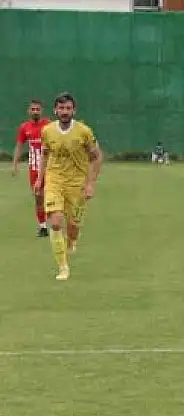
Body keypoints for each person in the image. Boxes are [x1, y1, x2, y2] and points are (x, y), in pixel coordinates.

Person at [37, 92, 102, 281]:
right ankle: (63, 267)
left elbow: (97, 157)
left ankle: (72, 241)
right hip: (55, 180)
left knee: (73, 225)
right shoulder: (47, 131)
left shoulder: (84, 131)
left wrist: (90, 184)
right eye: (61, 108)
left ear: (74, 110)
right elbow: (45, 154)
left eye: (68, 108)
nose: (64, 112)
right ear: (55, 110)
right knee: (56, 222)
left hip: (77, 183)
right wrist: (40, 179)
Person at [12, 99, 50, 237]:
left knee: (52, 196)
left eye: (37, 109)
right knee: (38, 197)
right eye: (33, 109)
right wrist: (15, 164)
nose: (35, 112)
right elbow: (19, 145)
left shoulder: (48, 125)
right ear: (29, 111)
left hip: (50, 167)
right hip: (34, 168)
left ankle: (56, 224)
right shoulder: (24, 127)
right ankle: (43, 226)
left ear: (42, 111)